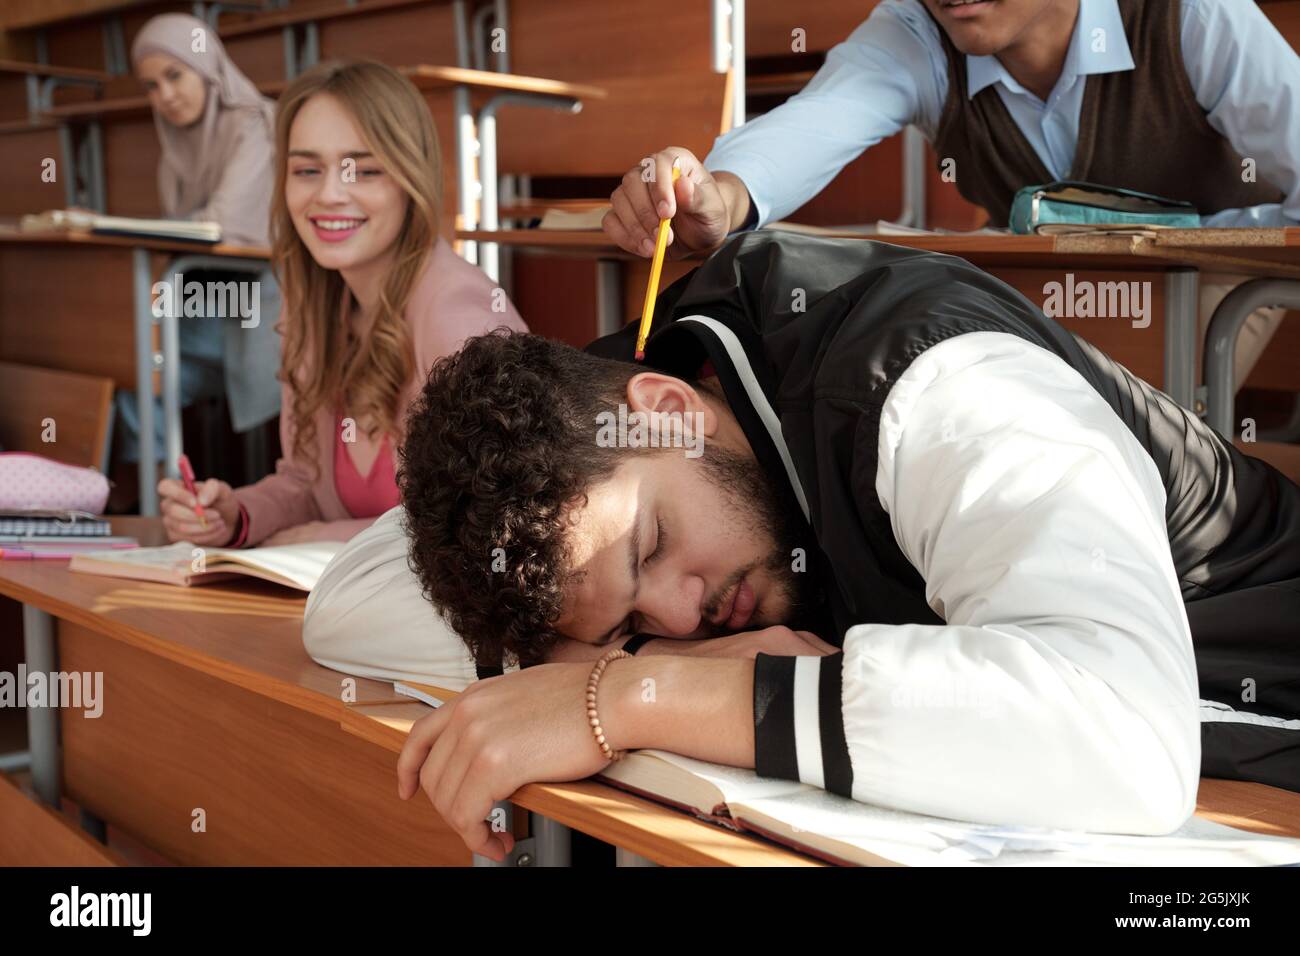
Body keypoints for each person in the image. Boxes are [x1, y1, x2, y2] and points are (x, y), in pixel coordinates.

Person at [322, 230, 1300, 862]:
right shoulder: (632, 404)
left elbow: (1125, 738)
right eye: (628, 621)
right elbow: (349, 597)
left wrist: (629, 693)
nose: (677, 613)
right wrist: (605, 653)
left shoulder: (934, 386)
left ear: (663, 413)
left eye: (652, 548)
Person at [602, 0, 1300, 393]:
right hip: (1049, 308)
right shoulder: (919, 34)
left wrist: (1214, 241)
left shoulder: (1193, 16)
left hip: (1209, 293)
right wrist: (718, 193)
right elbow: (814, 125)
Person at [156, 59, 526, 547]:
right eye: (307, 170)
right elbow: (303, 485)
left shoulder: (461, 317)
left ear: (409, 181)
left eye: (364, 170)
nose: (329, 194)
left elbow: (498, 516)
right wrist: (237, 514)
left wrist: (330, 540)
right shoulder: (312, 307)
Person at [111, 12, 283, 511]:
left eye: (174, 76)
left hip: (261, 301)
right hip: (204, 297)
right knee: (134, 368)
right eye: (151, 85)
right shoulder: (175, 147)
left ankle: (155, 503)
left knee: (148, 361)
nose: (164, 95)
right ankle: (153, 505)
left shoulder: (254, 124)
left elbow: (226, 224)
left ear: (206, 69)